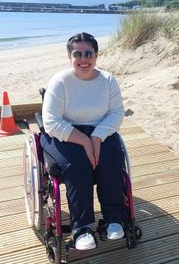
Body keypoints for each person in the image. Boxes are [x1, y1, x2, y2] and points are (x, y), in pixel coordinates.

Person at [40, 32, 125, 250]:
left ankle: (114, 219)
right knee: (77, 163)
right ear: (70, 56)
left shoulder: (107, 81)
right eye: (77, 53)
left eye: (89, 53)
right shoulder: (60, 81)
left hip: (100, 130)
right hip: (64, 132)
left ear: (96, 55)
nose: (83, 58)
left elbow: (116, 113)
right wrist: (85, 142)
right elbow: (50, 122)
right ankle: (82, 227)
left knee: (112, 156)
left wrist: (96, 136)